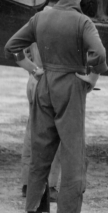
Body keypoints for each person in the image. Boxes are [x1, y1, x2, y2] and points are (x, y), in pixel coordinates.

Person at [5, 0, 108, 213]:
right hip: (70, 85)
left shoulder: (40, 17)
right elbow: (99, 53)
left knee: (40, 151)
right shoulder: (83, 22)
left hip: (45, 84)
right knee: (73, 152)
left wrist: (33, 68)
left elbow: (11, 46)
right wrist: (92, 77)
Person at [20, 42, 61, 202]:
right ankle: (49, 185)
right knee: (54, 133)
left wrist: (32, 68)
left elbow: (16, 49)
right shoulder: (61, 21)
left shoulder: (35, 21)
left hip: (34, 79)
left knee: (32, 130)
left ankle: (27, 183)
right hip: (50, 82)